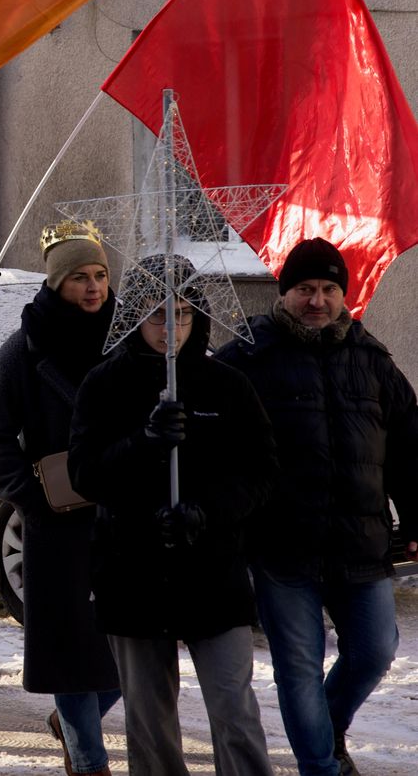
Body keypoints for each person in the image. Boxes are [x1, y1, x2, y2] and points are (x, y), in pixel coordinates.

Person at [215, 238, 418, 776]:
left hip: (361, 542)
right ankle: (321, 768)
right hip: (282, 546)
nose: (317, 300)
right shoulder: (248, 357)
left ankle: (327, 730)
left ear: (343, 295)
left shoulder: (371, 358)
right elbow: (215, 444)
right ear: (284, 293)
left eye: (329, 289)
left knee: (376, 651)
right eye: (305, 289)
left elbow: (408, 448)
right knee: (298, 667)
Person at [69, 255, 276, 776]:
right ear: (134, 317)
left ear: (196, 315)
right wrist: (143, 441)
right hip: (133, 572)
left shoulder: (227, 384)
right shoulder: (105, 384)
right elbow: (86, 475)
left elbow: (261, 472)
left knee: (234, 709)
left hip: (214, 573)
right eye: (156, 315)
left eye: (181, 314)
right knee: (150, 719)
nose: (170, 328)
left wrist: (206, 513)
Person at [0, 222, 120, 776]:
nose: (93, 287)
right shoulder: (23, 350)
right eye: (80, 277)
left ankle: (72, 725)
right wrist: (34, 502)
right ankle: (88, 762)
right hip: (57, 526)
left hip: (121, 517)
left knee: (130, 649)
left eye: (100, 274)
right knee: (71, 655)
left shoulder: (128, 341)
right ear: (57, 283)